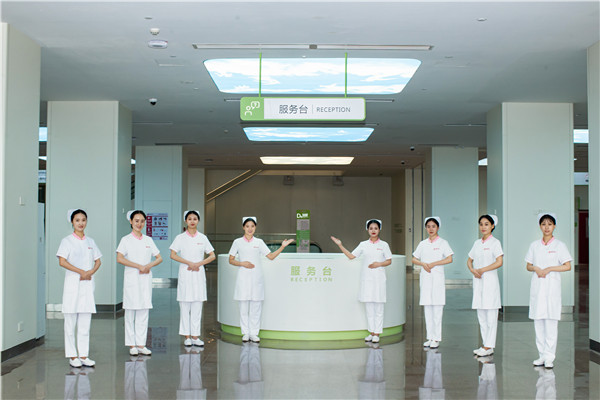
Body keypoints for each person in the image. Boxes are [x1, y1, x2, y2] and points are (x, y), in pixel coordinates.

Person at [228, 216, 293, 343]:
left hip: (256, 278)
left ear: (255, 227)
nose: (250, 229)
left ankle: (254, 333)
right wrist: (242, 263)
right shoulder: (237, 242)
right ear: (243, 227)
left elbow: (271, 256)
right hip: (243, 278)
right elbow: (230, 260)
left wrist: (282, 246)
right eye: (247, 226)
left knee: (256, 307)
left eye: (252, 226)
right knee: (243, 307)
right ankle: (245, 333)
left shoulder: (259, 242)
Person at [331, 219, 392, 343]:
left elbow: (389, 261)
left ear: (379, 230)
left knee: (378, 308)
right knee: (369, 308)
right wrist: (340, 245)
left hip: (379, 280)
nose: (373, 231)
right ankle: (371, 332)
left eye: (376, 228)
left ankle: (377, 334)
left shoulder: (384, 245)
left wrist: (378, 264)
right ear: (367, 230)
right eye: (371, 228)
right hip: (367, 280)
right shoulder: (363, 244)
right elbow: (351, 256)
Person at [526, 213, 572, 369]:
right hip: (537, 287)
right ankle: (541, 355)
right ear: (540, 226)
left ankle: (550, 357)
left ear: (554, 226)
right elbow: (528, 265)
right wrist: (536, 268)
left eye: (550, 224)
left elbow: (567, 266)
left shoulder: (560, 245)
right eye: (544, 224)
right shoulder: (534, 245)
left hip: (552, 288)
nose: (546, 227)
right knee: (538, 322)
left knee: (551, 323)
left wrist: (550, 268)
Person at [57, 209, 102, 368]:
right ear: (72, 222)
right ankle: (72, 356)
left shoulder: (90, 242)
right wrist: (81, 272)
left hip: (87, 284)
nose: (81, 223)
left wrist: (90, 272)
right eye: (77, 220)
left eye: (83, 220)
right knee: (70, 322)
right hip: (73, 284)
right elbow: (62, 261)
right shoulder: (66, 241)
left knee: (85, 322)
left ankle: (83, 355)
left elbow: (98, 260)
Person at [117, 210, 162, 356]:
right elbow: (120, 258)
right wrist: (138, 266)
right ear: (131, 222)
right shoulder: (125, 240)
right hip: (132, 279)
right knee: (130, 312)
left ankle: (141, 344)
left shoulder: (148, 240)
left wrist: (148, 266)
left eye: (142, 221)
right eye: (136, 221)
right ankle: (132, 345)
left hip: (145, 279)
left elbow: (159, 258)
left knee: (144, 310)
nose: (139, 224)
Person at [170, 210, 216, 347]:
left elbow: (212, 255)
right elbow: (173, 254)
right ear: (185, 221)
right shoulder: (180, 238)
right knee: (185, 306)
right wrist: (189, 263)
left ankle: (195, 336)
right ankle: (187, 336)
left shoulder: (203, 238)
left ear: (198, 221)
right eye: (189, 219)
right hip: (186, 272)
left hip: (198, 273)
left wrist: (198, 264)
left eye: (194, 219)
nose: (192, 221)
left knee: (197, 305)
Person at [412, 216, 454, 349]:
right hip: (425, 278)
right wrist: (423, 264)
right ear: (426, 228)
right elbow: (414, 259)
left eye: (433, 226)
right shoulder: (423, 244)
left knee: (437, 310)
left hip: (437, 279)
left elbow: (449, 259)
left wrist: (434, 263)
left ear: (438, 228)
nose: (431, 229)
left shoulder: (443, 243)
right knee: (428, 309)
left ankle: (436, 338)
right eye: (428, 226)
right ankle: (430, 337)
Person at [467, 214, 503, 357]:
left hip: (490, 281)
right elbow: (469, 259)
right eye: (481, 224)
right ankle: (485, 345)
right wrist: (472, 270)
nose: (483, 227)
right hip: (478, 281)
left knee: (491, 316)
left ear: (492, 226)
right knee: (481, 315)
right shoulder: (477, 243)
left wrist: (482, 270)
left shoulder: (495, 243)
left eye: (486, 224)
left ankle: (489, 346)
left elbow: (499, 262)